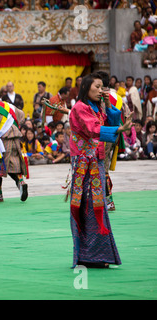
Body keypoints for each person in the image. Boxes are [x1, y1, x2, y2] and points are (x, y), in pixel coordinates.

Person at [69, 73, 132, 269]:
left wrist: (110, 107)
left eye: (103, 87)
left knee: (98, 206)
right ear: (86, 87)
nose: (101, 90)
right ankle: (88, 256)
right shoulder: (80, 107)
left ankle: (98, 255)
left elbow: (109, 123)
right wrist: (120, 130)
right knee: (85, 206)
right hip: (82, 164)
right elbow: (93, 129)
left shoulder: (96, 107)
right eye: (97, 86)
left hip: (95, 161)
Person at [0, 85, 28, 202]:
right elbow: (22, 115)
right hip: (15, 138)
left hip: (2, 141)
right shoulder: (10, 106)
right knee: (14, 164)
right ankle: (21, 182)